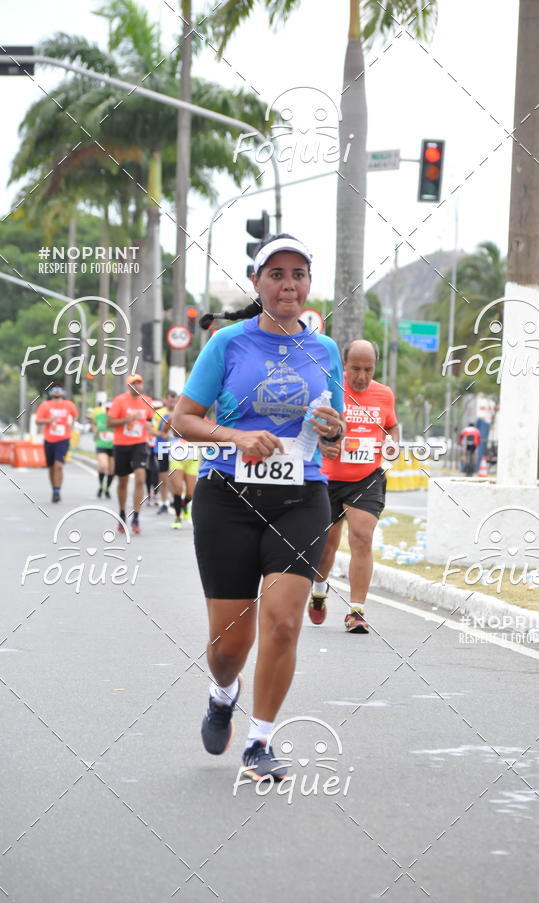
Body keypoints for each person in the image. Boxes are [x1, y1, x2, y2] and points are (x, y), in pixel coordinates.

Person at [172, 234, 344, 782]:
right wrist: (236, 437)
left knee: (283, 622)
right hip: (228, 498)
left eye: (298, 274)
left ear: (309, 284)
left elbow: (334, 435)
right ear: (258, 283)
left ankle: (260, 741)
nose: (288, 284)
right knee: (230, 643)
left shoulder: (326, 350)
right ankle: (223, 692)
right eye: (276, 274)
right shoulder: (227, 344)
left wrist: (334, 429)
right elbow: (184, 418)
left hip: (301, 496)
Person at [308, 340, 399, 634]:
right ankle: (319, 591)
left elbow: (391, 425)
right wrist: (323, 445)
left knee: (362, 537)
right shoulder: (329, 390)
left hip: (366, 478)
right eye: (355, 369)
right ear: (344, 366)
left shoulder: (384, 394)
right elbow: (310, 427)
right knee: (326, 547)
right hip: (328, 478)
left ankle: (356, 611)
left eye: (368, 369)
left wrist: (393, 441)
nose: (361, 376)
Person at [107, 374, 154, 534]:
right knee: (122, 482)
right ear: (129, 386)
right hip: (121, 444)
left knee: (140, 479)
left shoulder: (147, 401)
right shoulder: (120, 400)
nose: (138, 386)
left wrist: (153, 431)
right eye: (135, 383)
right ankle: (121, 514)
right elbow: (109, 422)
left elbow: (148, 421)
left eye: (140, 383)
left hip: (139, 444)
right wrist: (127, 419)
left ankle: (136, 517)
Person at [35, 386, 79, 503]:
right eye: (54, 390)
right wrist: (49, 420)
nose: (57, 391)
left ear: (62, 392)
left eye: (59, 389)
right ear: (51, 393)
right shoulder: (45, 405)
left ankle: (57, 491)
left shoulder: (69, 404)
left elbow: (75, 415)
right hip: (49, 439)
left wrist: (72, 425)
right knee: (51, 467)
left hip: (63, 439)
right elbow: (37, 420)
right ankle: (53, 488)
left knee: (58, 466)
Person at [151, 390, 178, 514]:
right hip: (162, 447)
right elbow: (151, 429)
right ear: (165, 400)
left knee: (174, 475)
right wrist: (161, 434)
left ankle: (175, 499)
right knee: (163, 475)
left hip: (177, 448)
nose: (171, 403)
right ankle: (164, 502)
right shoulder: (159, 413)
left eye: (174, 400)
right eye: (169, 400)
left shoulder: (180, 412)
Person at [92, 400, 115, 499]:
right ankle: (101, 486)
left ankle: (107, 488)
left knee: (111, 470)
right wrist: (95, 432)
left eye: (111, 409)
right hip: (101, 444)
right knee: (103, 465)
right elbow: (93, 423)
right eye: (107, 408)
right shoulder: (100, 416)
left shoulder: (117, 418)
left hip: (114, 446)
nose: (108, 410)